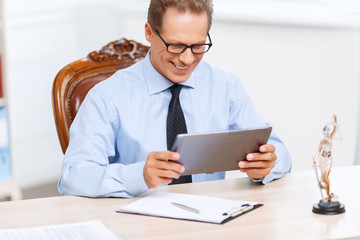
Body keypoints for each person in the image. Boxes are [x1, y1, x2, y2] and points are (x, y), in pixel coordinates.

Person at [58, 0, 292, 198]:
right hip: (139, 226)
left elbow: (279, 152)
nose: (187, 59)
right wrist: (139, 176)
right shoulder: (107, 97)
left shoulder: (225, 87)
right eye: (176, 45)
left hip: (211, 222)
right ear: (149, 32)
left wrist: (266, 165)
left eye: (198, 46)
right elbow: (73, 177)